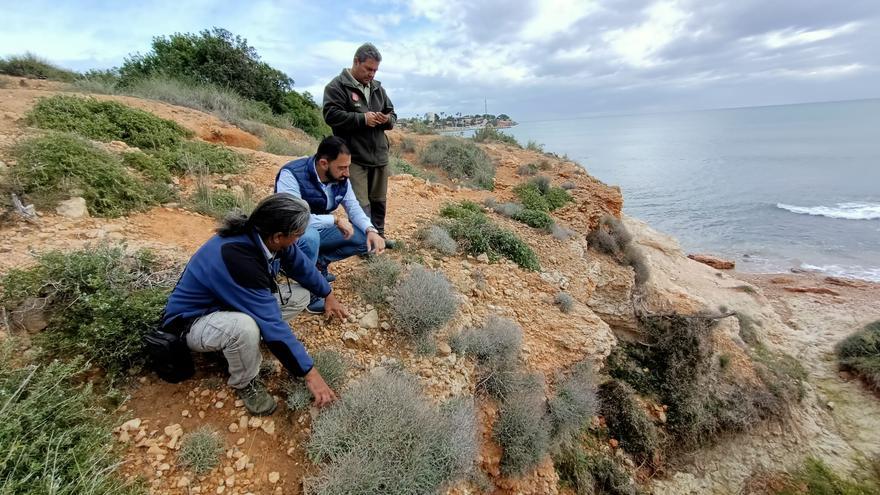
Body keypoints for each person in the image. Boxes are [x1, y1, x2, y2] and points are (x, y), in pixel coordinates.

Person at [161, 194, 348, 415]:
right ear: (279, 236)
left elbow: (301, 266)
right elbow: (272, 324)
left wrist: (327, 294)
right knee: (244, 327)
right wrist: (311, 374)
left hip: (226, 305)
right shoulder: (238, 258)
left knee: (300, 296)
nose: (298, 240)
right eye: (297, 235)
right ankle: (244, 382)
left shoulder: (264, 233)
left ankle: (240, 347)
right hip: (193, 322)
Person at [275, 136, 386, 313]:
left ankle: (318, 264)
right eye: (342, 167)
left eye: (348, 167)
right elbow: (291, 217)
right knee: (310, 236)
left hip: (318, 228)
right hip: (292, 234)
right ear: (324, 163)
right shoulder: (292, 174)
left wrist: (371, 230)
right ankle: (310, 293)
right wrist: (334, 219)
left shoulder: (341, 178)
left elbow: (353, 207)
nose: (347, 173)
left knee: (363, 239)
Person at [323, 42, 397, 238]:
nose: (372, 74)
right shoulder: (336, 86)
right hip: (353, 156)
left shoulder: (378, 89)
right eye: (368, 69)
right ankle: (364, 242)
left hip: (379, 155)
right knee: (360, 203)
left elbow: (393, 116)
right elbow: (331, 115)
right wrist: (363, 119)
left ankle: (379, 236)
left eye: (375, 70)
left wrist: (386, 119)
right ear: (356, 62)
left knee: (378, 200)